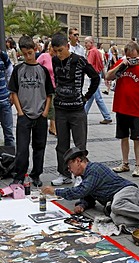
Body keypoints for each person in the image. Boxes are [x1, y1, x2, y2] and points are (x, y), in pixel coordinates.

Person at [41, 147, 139, 235]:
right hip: (120, 203)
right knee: (117, 219)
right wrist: (82, 205)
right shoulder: (85, 176)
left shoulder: (94, 169)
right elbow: (88, 195)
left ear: (78, 161)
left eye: (70, 166)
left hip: (128, 192)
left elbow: (80, 191)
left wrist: (56, 191)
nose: (70, 170)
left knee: (116, 206)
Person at [50, 32, 100, 186]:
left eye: (61, 50)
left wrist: (86, 96)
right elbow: (57, 80)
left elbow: (95, 78)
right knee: (61, 144)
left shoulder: (79, 61)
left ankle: (80, 175)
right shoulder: (55, 61)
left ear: (67, 46)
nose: (59, 54)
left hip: (77, 109)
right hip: (61, 109)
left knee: (80, 145)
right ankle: (64, 173)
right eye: (55, 51)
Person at [106, 40, 139, 178]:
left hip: (136, 109)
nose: (132, 60)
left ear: (138, 55)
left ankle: (138, 165)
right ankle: (125, 163)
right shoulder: (122, 64)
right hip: (121, 108)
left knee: (137, 139)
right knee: (123, 137)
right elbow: (108, 76)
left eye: (134, 57)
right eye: (129, 58)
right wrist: (122, 65)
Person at [8, 35, 54, 187]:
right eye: (25, 54)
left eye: (30, 53)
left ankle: (36, 174)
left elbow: (49, 94)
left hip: (40, 114)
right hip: (24, 115)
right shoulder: (18, 70)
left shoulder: (43, 71)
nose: (28, 56)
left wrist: (45, 112)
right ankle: (20, 175)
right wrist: (20, 112)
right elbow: (13, 92)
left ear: (35, 50)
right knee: (22, 148)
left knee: (39, 147)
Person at [84, 36, 112, 125]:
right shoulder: (97, 51)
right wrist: (105, 76)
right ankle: (84, 113)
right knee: (92, 96)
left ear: (91, 43)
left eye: (86, 43)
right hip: (98, 75)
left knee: (97, 97)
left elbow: (89, 65)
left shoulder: (92, 52)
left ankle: (107, 116)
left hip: (94, 76)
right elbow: (101, 64)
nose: (85, 45)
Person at [38, 42, 57, 136]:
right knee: (49, 107)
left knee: (53, 107)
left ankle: (52, 126)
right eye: (53, 48)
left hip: (54, 86)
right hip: (44, 86)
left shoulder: (56, 59)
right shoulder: (44, 56)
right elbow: (36, 67)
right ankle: (51, 127)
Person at [0, 48, 15, 147]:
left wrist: (10, 92)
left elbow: (10, 73)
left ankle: (10, 159)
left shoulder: (3, 55)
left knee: (9, 134)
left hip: (4, 100)